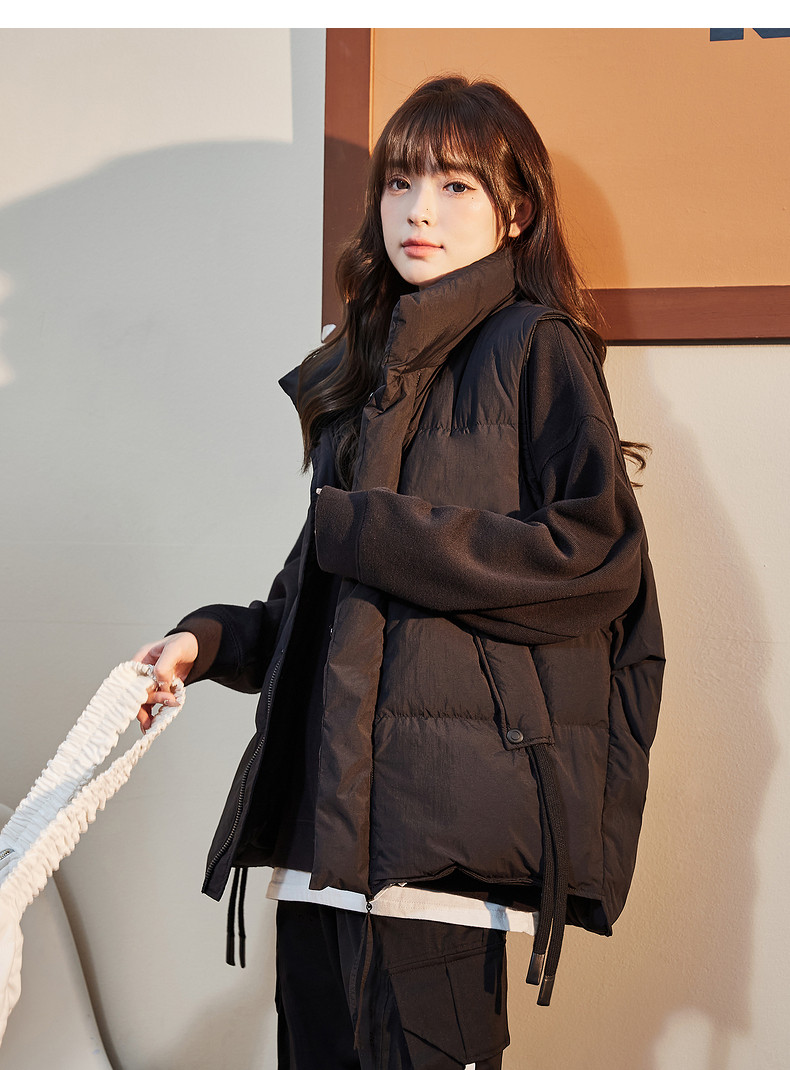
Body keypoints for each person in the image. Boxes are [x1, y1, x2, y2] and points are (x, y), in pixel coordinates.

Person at [134, 76, 664, 1070]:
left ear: (516, 211)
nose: (419, 210)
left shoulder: (535, 348)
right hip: (322, 853)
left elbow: (595, 557)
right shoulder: (368, 369)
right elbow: (311, 600)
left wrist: (374, 529)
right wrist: (199, 643)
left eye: (456, 185)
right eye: (400, 182)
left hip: (438, 856)